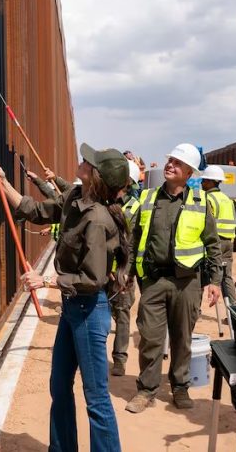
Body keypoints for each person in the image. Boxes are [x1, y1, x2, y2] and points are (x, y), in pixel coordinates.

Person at [0, 143, 131, 452]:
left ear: (96, 177)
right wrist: (3, 181)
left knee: (96, 398)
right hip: (72, 309)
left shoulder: (96, 219)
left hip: (89, 311)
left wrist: (46, 281)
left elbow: (92, 280)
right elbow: (36, 211)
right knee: (59, 386)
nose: (82, 161)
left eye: (88, 162)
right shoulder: (77, 199)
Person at [124, 143, 223, 413]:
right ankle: (146, 391)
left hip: (187, 282)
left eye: (177, 163)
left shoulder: (201, 202)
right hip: (154, 281)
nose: (170, 165)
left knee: (182, 339)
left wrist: (213, 281)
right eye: (170, 161)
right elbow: (133, 241)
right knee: (151, 338)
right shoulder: (148, 198)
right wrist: (127, 272)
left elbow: (213, 245)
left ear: (189, 172)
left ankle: (180, 387)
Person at [110, 161, 143, 376]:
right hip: (100, 269)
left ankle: (120, 358)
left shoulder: (136, 208)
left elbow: (134, 245)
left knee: (122, 313)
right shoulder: (104, 203)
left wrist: (127, 273)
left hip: (121, 271)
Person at [199, 165, 236, 305]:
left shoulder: (207, 198)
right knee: (227, 277)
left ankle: (194, 310)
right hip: (228, 242)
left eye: (204, 181)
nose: (202, 183)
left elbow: (207, 223)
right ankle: (233, 311)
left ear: (211, 181)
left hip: (215, 243)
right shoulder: (227, 199)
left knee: (202, 274)